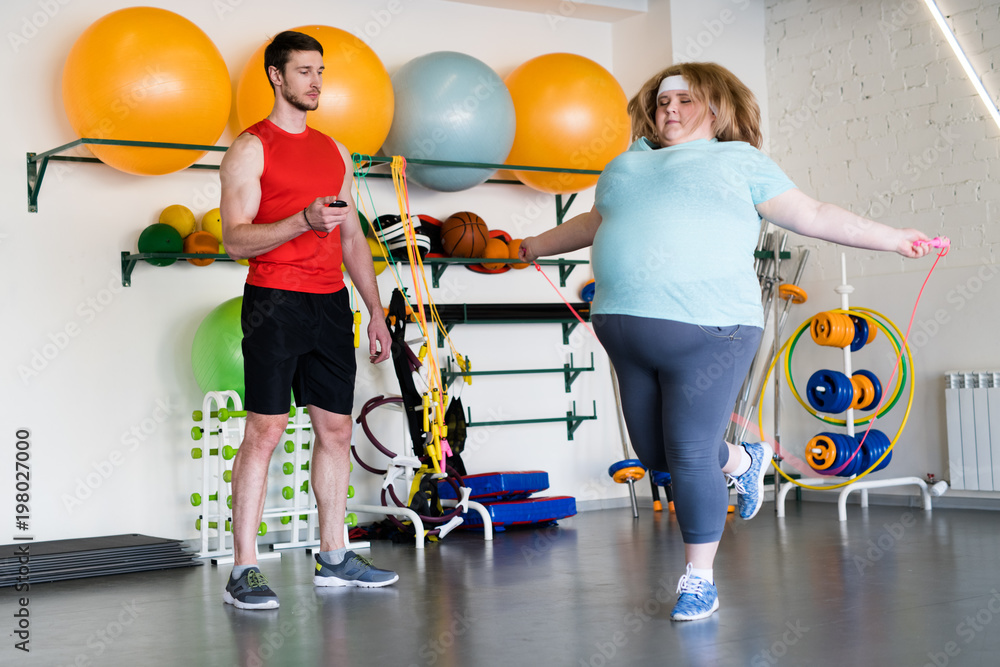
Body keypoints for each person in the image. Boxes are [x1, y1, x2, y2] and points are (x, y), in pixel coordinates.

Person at [519, 62, 932, 621]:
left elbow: (812, 214)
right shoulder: (623, 168)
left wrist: (894, 239)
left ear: (714, 108)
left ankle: (698, 579)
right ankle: (743, 458)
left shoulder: (738, 162)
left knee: (689, 454)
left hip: (712, 331)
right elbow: (595, 223)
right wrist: (535, 244)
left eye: (686, 101)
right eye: (663, 101)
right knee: (655, 455)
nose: (671, 110)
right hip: (624, 332)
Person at [219, 30, 397, 610]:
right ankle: (244, 567)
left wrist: (374, 309)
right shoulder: (251, 147)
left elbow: (351, 238)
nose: (316, 81)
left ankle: (334, 556)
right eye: (303, 71)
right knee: (265, 432)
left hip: (329, 306)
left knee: (336, 432)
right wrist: (301, 219)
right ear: (276, 76)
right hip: (273, 301)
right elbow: (234, 240)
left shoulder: (335, 151)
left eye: (320, 71)